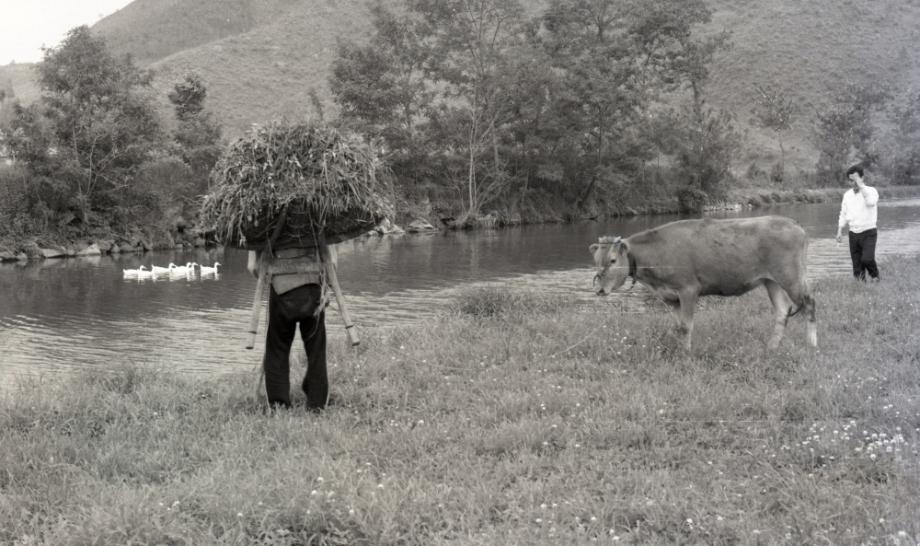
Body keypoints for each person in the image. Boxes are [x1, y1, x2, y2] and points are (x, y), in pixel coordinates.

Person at [247, 245, 335, 410]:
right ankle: (317, 404)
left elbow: (253, 267)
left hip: (281, 290)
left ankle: (279, 404)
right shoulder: (319, 221)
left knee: (277, 348)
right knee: (316, 349)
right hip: (313, 289)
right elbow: (332, 264)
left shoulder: (263, 224)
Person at [836, 165, 880, 282]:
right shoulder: (847, 195)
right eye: (851, 181)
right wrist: (839, 231)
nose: (853, 183)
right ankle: (861, 287)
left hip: (869, 231)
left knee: (867, 259)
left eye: (855, 180)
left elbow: (871, 203)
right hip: (853, 233)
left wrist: (861, 187)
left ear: (862, 178)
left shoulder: (871, 191)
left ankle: (875, 276)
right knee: (857, 267)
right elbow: (843, 213)